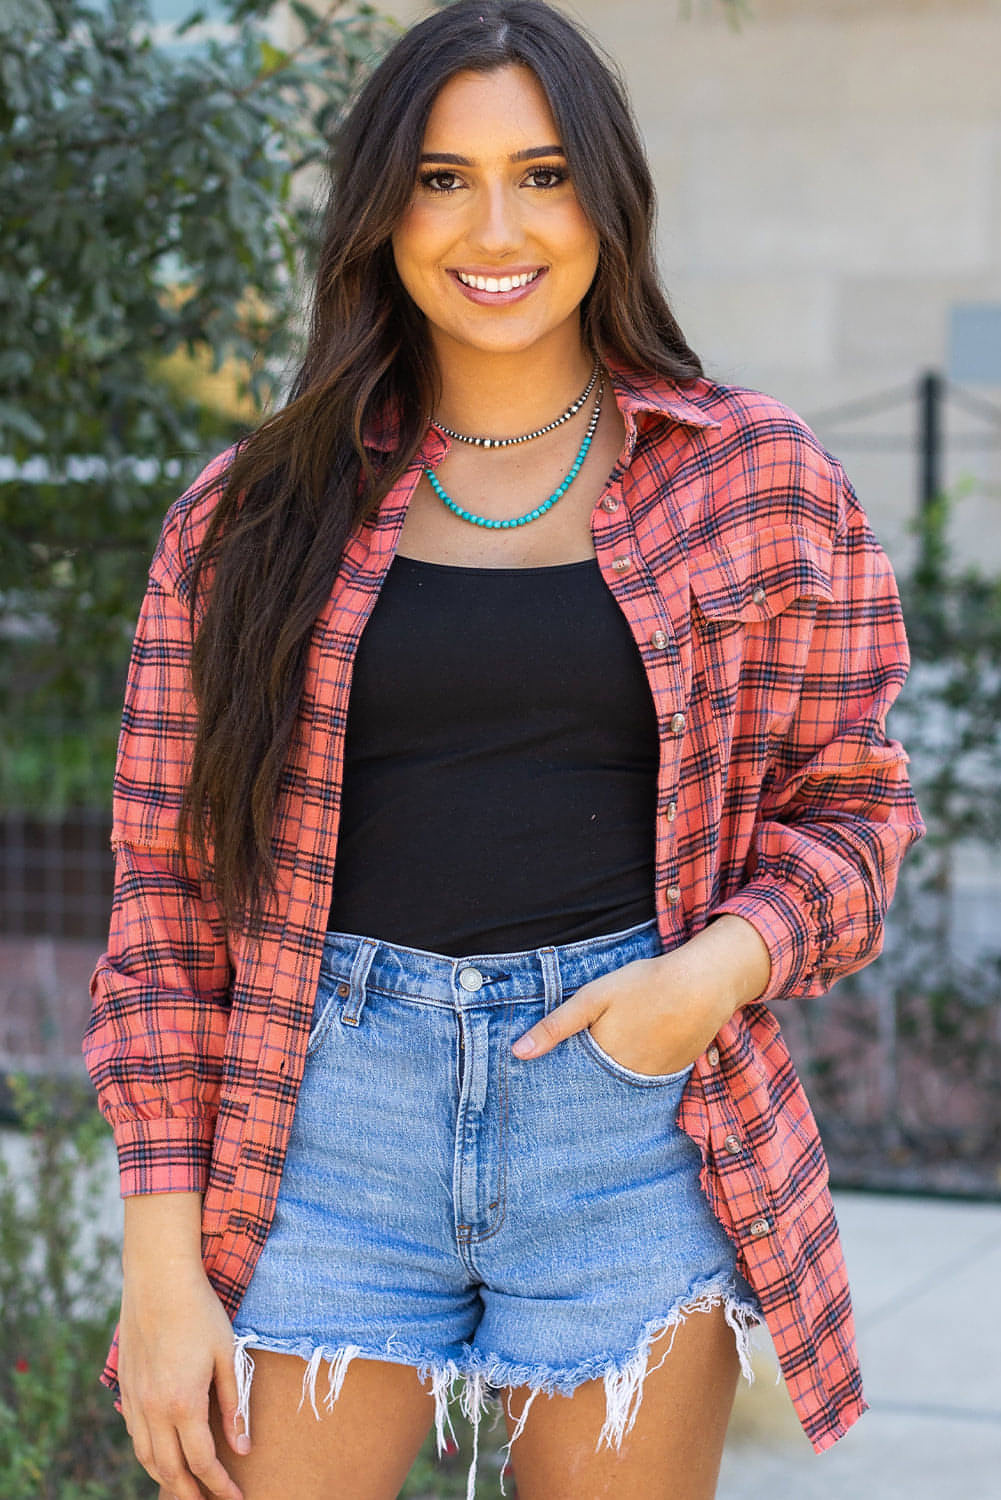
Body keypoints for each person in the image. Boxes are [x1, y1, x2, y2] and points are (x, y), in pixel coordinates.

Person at [83, 3, 925, 1498]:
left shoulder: (752, 479)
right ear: (378, 211)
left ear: (606, 200)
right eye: (440, 176)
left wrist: (706, 978)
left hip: (630, 1121)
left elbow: (855, 815)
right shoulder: (250, 514)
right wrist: (159, 1262)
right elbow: (165, 898)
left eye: (540, 175)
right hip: (321, 1130)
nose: (495, 226)